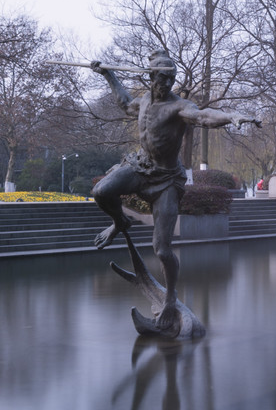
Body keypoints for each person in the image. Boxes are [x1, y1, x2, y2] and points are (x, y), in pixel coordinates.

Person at [90, 52, 256, 326]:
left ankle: (170, 299)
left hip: (166, 180)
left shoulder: (179, 106)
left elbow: (203, 116)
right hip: (141, 167)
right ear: (151, 76)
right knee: (101, 192)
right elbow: (125, 104)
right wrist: (108, 74)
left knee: (162, 250)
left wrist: (230, 116)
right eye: (162, 78)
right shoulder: (143, 101)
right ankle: (119, 222)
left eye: (171, 79)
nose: (167, 83)